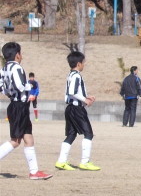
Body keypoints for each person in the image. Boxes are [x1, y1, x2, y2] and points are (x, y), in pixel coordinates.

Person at [0, 42, 52, 179]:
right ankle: (34, 171)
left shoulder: (4, 68)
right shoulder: (17, 68)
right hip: (19, 107)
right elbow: (20, 86)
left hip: (17, 105)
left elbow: (1, 87)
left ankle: (34, 172)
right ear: (17, 55)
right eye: (21, 53)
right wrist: (29, 87)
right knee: (15, 140)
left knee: (28, 137)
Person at [55, 51, 100, 171]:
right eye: (83, 62)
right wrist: (85, 99)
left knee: (71, 134)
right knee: (88, 133)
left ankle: (61, 161)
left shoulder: (70, 75)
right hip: (76, 109)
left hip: (71, 108)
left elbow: (71, 93)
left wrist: (86, 97)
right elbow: (72, 92)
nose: (84, 65)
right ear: (79, 63)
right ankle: (85, 161)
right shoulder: (76, 76)